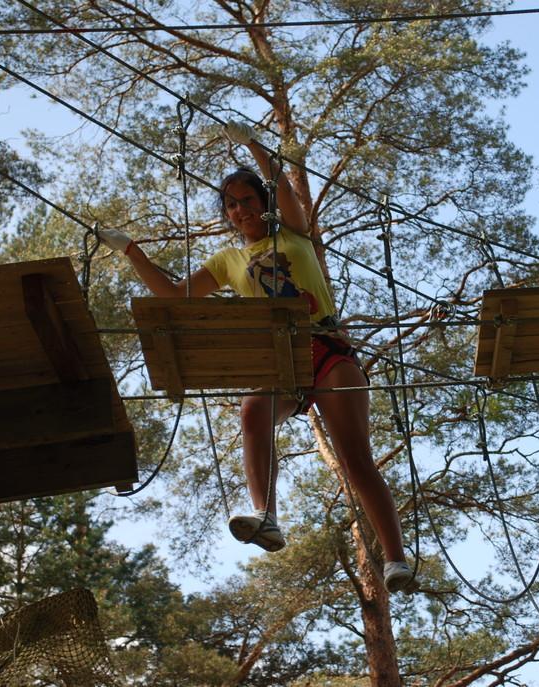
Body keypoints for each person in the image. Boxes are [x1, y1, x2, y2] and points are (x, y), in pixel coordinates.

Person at [99, 121, 414, 593]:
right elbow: (175, 295)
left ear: (263, 205)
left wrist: (251, 144)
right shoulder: (227, 260)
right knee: (253, 410)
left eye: (248, 199)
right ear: (226, 215)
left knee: (355, 458)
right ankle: (266, 514)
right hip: (279, 358)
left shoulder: (293, 233)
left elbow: (282, 183)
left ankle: (395, 559)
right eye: (231, 204)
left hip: (326, 350)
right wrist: (132, 252)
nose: (240, 209)